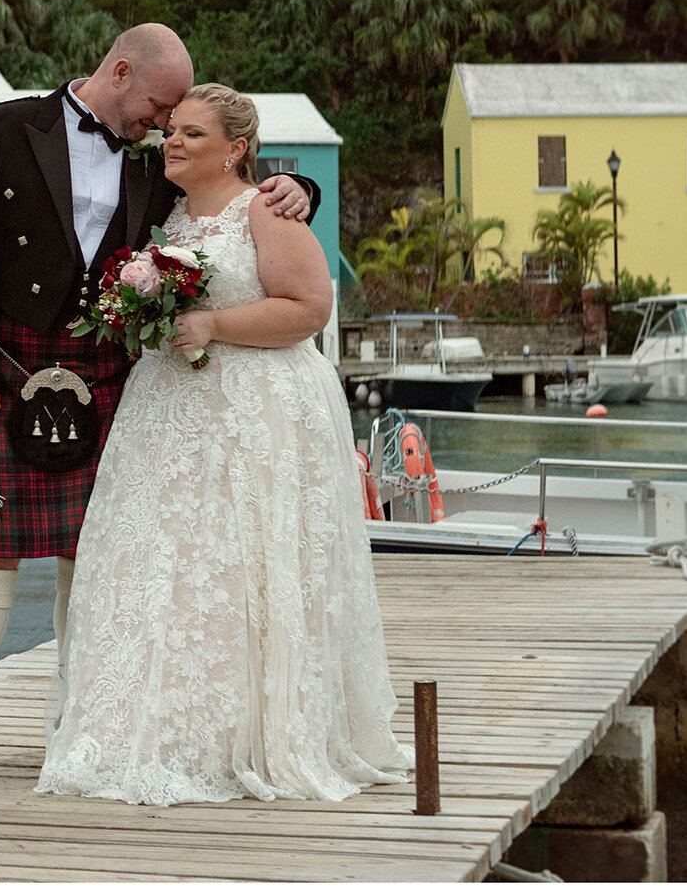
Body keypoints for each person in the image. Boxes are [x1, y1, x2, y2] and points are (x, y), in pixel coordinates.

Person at [0, 28, 320, 785]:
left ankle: (75, 714)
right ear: (121, 72)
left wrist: (301, 189)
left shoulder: (155, 157)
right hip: (12, 360)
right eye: (158, 107)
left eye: (172, 120)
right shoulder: (6, 125)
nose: (163, 127)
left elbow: (225, 195)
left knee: (91, 549)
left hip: (104, 366)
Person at [37, 84, 410, 805]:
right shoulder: (166, 210)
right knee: (172, 565)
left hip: (258, 409)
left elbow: (309, 307)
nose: (171, 141)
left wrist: (212, 326)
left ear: (236, 148)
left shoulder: (265, 209)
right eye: (170, 130)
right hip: (172, 412)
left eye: (192, 134)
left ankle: (256, 733)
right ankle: (175, 727)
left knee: (248, 565)